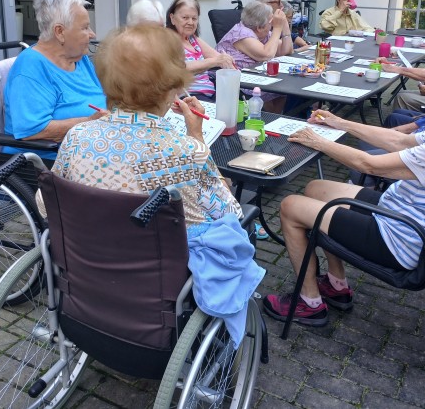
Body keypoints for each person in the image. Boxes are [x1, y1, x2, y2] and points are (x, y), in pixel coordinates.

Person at [49, 24, 264, 343]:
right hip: (155, 287)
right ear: (170, 89)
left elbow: (46, 205)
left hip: (87, 275)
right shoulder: (182, 150)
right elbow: (226, 209)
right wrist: (195, 137)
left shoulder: (77, 137)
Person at [262, 53, 425, 326]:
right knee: (316, 188)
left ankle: (308, 303)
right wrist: (338, 123)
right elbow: (399, 141)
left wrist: (319, 142)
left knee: (290, 207)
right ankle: (336, 284)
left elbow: (369, 164)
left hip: (401, 239)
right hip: (399, 212)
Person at [3, 0, 107, 158]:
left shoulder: (80, 60)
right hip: (49, 163)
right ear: (60, 32)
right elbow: (33, 130)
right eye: (85, 27)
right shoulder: (30, 67)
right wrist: (88, 123)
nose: (92, 34)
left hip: (90, 151)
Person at [215, 0, 292, 112]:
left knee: (283, 88)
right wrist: (277, 28)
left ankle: (277, 117)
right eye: (271, 22)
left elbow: (286, 51)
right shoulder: (241, 33)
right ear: (259, 27)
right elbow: (266, 55)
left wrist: (284, 26)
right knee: (282, 87)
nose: (273, 25)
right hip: (238, 82)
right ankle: (272, 118)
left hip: (257, 77)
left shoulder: (262, 33)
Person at [166, 0, 234, 98]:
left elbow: (221, 58)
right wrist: (215, 61)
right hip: (189, 98)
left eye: (194, 18)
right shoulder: (168, 40)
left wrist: (231, 67)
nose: (190, 22)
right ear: (172, 18)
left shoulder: (192, 39)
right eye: (185, 18)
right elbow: (180, 68)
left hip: (209, 94)